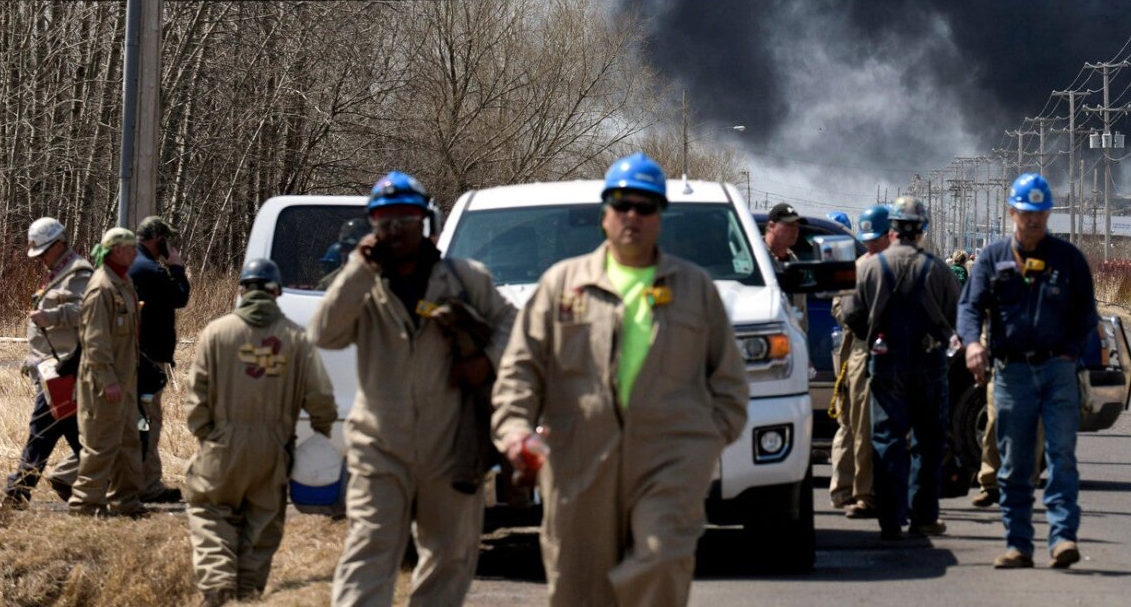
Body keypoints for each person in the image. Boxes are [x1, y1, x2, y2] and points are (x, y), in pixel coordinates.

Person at [495, 152, 749, 607]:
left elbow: (729, 384)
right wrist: (514, 431)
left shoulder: (694, 289)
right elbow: (520, 370)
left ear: (660, 216)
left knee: (662, 560)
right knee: (578, 592)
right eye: (621, 204)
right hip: (577, 465)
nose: (633, 215)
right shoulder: (561, 286)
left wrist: (704, 445)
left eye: (646, 206)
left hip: (670, 463)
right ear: (605, 213)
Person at [312, 171, 516, 607]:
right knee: (369, 553)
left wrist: (487, 361)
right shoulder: (362, 285)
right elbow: (325, 334)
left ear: (426, 222)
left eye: (406, 218)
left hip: (449, 446)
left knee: (450, 556)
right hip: (379, 448)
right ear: (371, 226)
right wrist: (357, 269)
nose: (395, 230)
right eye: (385, 220)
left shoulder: (464, 279)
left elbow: (512, 324)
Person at [958, 173, 1098, 571]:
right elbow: (969, 307)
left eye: (1039, 213)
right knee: (1016, 463)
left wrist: (1070, 353)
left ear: (1049, 213)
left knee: (1061, 457)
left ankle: (1063, 538)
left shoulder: (1068, 259)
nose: (1033, 221)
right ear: (1012, 213)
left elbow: (1085, 314)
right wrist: (971, 343)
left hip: (1057, 371)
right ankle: (1018, 543)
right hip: (1012, 373)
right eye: (1025, 213)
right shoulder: (993, 257)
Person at [185, 260, 338, 607]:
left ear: (242, 289)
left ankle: (218, 585)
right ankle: (249, 594)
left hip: (222, 443)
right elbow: (321, 399)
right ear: (277, 291)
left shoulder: (216, 332)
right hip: (274, 448)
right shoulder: (297, 339)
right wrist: (322, 434)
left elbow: (196, 395)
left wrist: (206, 433)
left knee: (210, 511)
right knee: (262, 525)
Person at [847, 196, 960, 541]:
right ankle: (923, 517)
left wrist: (874, 338)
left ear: (892, 229)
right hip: (928, 364)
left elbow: (851, 314)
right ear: (921, 230)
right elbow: (956, 314)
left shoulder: (867, 268)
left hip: (886, 363)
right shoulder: (938, 269)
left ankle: (891, 520)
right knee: (927, 443)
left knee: (886, 440)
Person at [4, 217, 91, 504]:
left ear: (59, 244)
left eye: (42, 251)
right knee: (69, 435)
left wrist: (51, 317)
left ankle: (16, 493)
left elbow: (87, 311)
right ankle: (108, 486)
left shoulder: (78, 273)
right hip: (50, 369)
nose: (39, 258)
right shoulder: (59, 272)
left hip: (64, 367)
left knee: (42, 432)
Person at [69, 227, 146, 517]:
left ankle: (126, 502)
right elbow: (94, 339)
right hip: (104, 383)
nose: (135, 253)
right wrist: (108, 379)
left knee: (129, 442)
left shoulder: (123, 283)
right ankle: (85, 504)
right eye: (130, 248)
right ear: (116, 251)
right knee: (100, 444)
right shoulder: (101, 287)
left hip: (125, 379)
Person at [829, 204, 891, 518]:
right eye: (867, 239)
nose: (870, 244)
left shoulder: (894, 266)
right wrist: (860, 319)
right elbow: (838, 308)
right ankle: (858, 492)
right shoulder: (857, 267)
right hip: (860, 352)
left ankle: (865, 491)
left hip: (884, 352)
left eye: (875, 238)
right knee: (855, 424)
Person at [129, 214, 190, 503]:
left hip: (131, 356)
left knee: (133, 421)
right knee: (148, 421)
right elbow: (180, 297)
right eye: (168, 239)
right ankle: (148, 485)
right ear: (159, 240)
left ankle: (139, 480)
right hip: (149, 359)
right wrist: (176, 267)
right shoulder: (151, 270)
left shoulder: (129, 263)